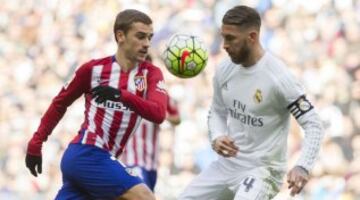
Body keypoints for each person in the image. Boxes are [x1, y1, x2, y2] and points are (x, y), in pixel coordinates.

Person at [179, 5, 324, 200]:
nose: (224, 45)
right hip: (226, 165)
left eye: (231, 38)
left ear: (252, 37)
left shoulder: (278, 77)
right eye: (223, 37)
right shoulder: (224, 69)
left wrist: (303, 165)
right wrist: (217, 136)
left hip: (262, 171)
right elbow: (217, 111)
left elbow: (313, 124)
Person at [25, 9, 168, 200]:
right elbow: (60, 103)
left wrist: (121, 95)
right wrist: (36, 143)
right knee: (144, 197)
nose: (146, 44)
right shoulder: (93, 70)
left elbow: (158, 114)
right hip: (87, 153)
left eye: (149, 38)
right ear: (120, 36)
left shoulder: (151, 74)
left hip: (103, 159)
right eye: (140, 37)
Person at [121, 95, 180, 191]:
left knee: (149, 193)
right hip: (132, 160)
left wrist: (161, 115)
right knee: (142, 194)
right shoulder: (128, 89)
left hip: (152, 163)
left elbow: (177, 118)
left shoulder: (161, 94)